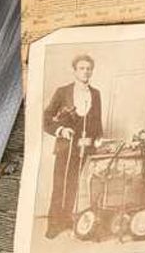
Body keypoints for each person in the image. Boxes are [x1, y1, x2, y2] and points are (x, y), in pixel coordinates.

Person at [43, 52, 103, 237]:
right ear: (75, 71)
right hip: (65, 147)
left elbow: (97, 121)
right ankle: (53, 224)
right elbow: (46, 118)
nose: (85, 72)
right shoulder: (63, 92)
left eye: (88, 69)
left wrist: (98, 138)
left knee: (73, 184)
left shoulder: (96, 93)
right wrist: (61, 130)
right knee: (60, 184)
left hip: (84, 147)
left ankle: (66, 219)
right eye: (82, 68)